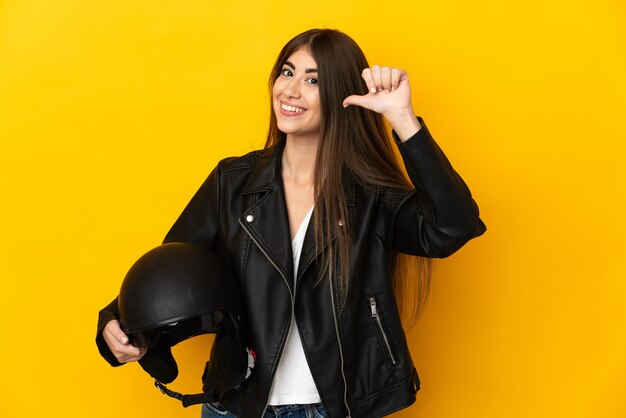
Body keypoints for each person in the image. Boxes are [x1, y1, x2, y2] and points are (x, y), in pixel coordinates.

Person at [96, 28, 486, 418]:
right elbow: (177, 270)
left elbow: (452, 228)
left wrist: (403, 119)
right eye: (287, 72)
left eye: (312, 80)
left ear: (342, 95)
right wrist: (118, 321)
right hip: (238, 405)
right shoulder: (232, 182)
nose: (291, 90)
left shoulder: (370, 195)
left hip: (335, 407)